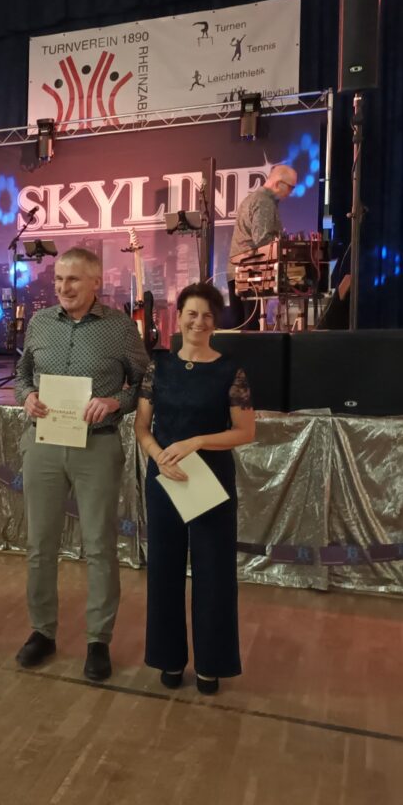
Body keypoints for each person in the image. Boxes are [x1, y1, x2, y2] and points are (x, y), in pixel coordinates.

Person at [13, 247, 149, 682]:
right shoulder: (39, 323)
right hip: (44, 443)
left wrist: (115, 402)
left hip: (97, 445)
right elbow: (22, 375)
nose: (63, 287)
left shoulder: (120, 328)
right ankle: (42, 631)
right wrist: (26, 397)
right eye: (58, 280)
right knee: (40, 545)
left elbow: (144, 381)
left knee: (99, 546)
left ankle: (97, 640)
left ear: (96, 282)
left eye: (72, 279)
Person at [134, 282, 255, 695]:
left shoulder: (230, 370)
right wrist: (159, 455)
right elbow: (142, 426)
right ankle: (168, 658)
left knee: (214, 574)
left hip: (211, 482)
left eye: (207, 315)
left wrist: (197, 441)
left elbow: (245, 431)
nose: (198, 322)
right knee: (163, 570)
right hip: (165, 479)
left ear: (214, 322)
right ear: (179, 317)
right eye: (192, 313)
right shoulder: (159, 366)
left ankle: (211, 664)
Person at [228, 164, 297, 264]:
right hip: (252, 268)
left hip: (243, 267)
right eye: (291, 188)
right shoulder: (264, 202)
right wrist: (286, 245)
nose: (290, 193)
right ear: (278, 184)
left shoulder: (257, 198)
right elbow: (262, 241)